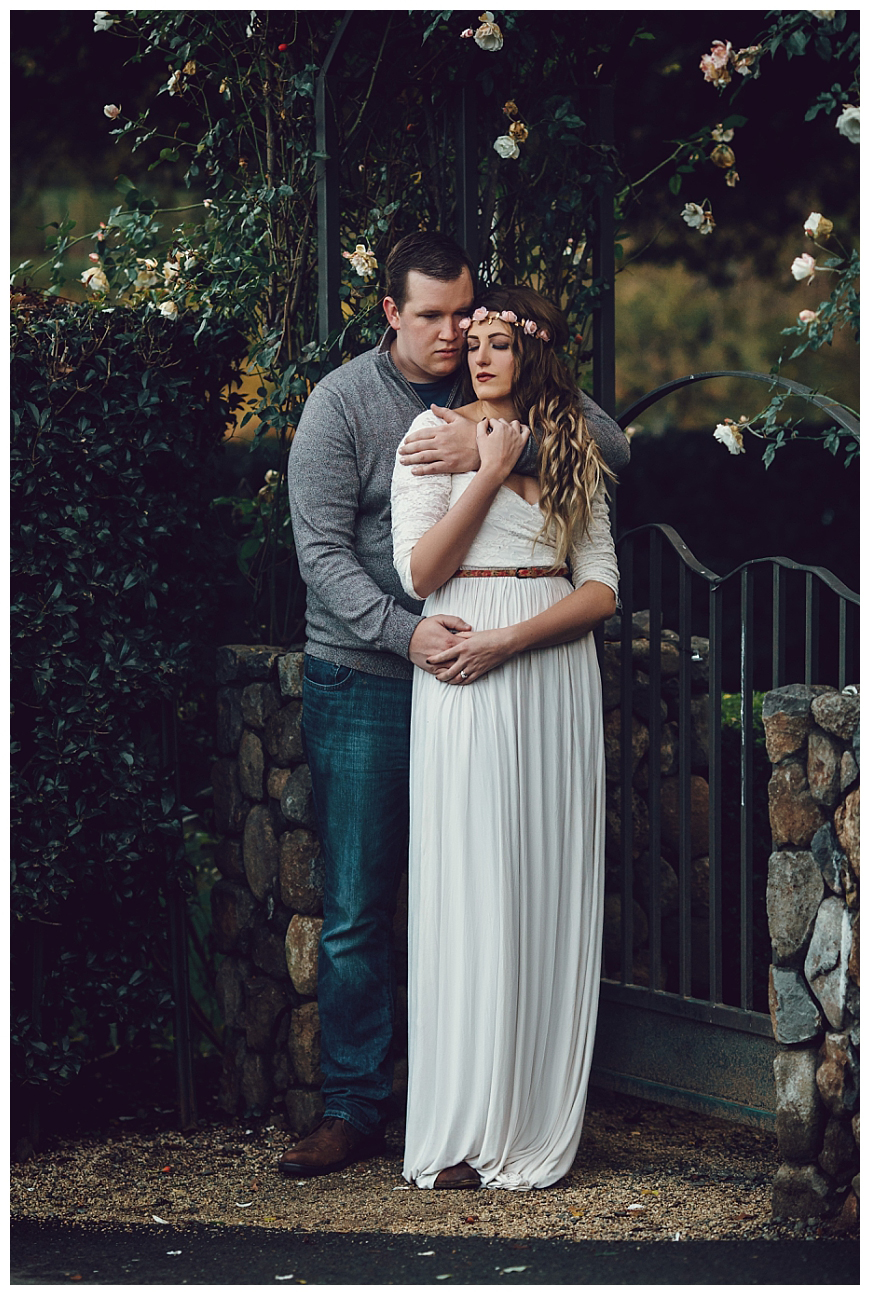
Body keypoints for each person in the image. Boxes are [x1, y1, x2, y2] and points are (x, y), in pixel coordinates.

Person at [282, 233, 628, 1178]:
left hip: (487, 676)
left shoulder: (496, 386)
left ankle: (487, 1095)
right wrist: (409, 636)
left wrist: (485, 442)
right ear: (391, 313)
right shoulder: (343, 405)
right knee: (360, 905)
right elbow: (322, 554)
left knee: (489, 883)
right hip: (370, 672)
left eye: (467, 317)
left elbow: (609, 446)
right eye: (432, 317)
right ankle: (356, 1109)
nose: (453, 336)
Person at [391, 285, 618, 1191]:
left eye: (499, 342)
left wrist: (511, 640)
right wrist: (484, 472)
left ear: (533, 354)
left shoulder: (572, 448)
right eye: (473, 341)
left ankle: (531, 1120)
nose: (479, 355)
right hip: (460, 679)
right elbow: (420, 574)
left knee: (544, 884)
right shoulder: (430, 439)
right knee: (472, 886)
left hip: (549, 672)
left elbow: (600, 587)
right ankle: (460, 1128)